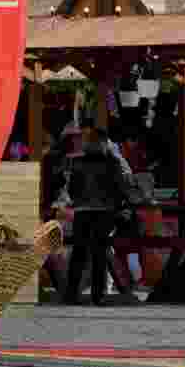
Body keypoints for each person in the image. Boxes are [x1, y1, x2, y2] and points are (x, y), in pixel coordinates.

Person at [57, 129, 133, 305]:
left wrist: (78, 200)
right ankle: (98, 296)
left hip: (83, 211)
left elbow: (72, 188)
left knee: (79, 253)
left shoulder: (77, 162)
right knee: (98, 253)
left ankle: (71, 294)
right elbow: (120, 187)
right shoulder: (112, 162)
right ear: (105, 142)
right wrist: (121, 206)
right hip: (104, 211)